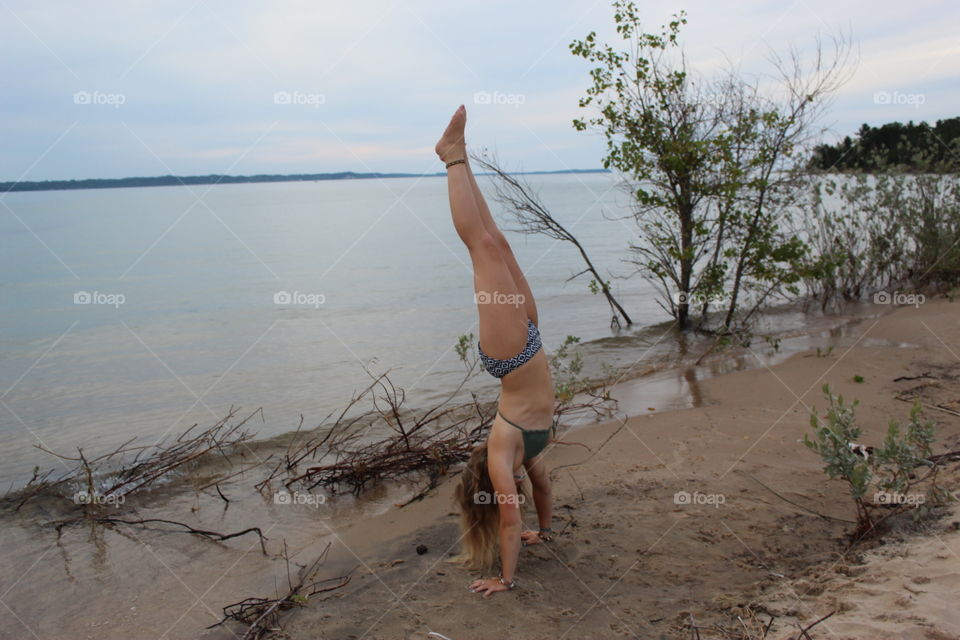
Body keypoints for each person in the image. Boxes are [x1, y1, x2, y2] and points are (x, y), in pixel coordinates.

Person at [435, 105, 556, 597]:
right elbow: (543, 493)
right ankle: (457, 157)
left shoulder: (504, 453)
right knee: (498, 243)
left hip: (510, 354)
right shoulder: (527, 456)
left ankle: (452, 157)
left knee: (482, 248)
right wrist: (544, 532)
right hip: (531, 339)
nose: (515, 489)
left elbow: (510, 520)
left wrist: (506, 580)